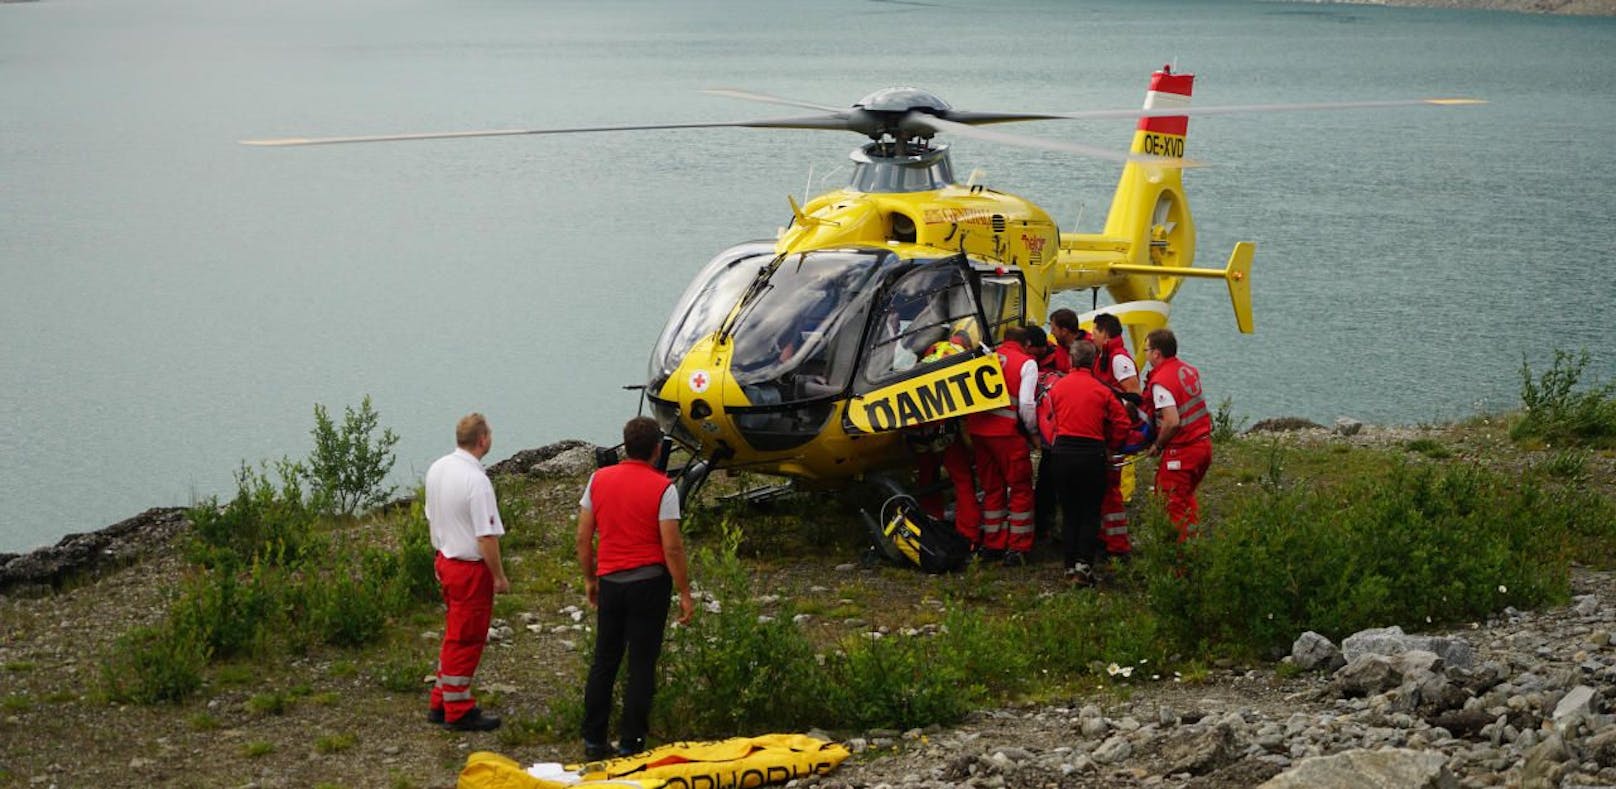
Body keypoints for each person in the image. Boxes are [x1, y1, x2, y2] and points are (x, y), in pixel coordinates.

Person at [577, 417, 696, 761]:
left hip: (611, 581)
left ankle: (594, 739)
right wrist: (685, 592)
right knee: (641, 664)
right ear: (658, 449)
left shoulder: (598, 480)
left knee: (605, 660)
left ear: (625, 445)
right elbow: (671, 546)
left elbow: (584, 537)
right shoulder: (664, 488)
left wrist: (590, 578)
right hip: (649, 583)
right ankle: (631, 741)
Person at [425, 413, 508, 732]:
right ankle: (458, 708)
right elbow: (485, 537)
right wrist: (498, 576)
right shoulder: (477, 481)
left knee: (454, 633)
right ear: (483, 439)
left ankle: (440, 699)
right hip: (469, 568)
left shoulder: (438, 468)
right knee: (467, 637)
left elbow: (432, 515)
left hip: (445, 558)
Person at [1046, 341, 1131, 586]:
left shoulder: (1057, 388)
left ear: (1071, 360)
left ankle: (1068, 566)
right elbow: (1123, 423)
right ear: (1094, 361)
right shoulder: (1102, 390)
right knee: (1090, 512)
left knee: (1069, 511)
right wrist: (1111, 445)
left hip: (1061, 453)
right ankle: (1084, 568)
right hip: (1091, 454)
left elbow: (1047, 418)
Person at [964, 325, 1039, 566]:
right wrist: (1033, 432)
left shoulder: (987, 357)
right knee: (1020, 488)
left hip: (978, 431)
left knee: (991, 487)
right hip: (1007, 435)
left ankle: (993, 543)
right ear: (1026, 344)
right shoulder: (1027, 363)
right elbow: (1027, 405)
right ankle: (1018, 546)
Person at [1142, 329, 1213, 541]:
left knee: (1171, 504)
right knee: (1186, 499)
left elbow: (1172, 421)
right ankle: (1193, 545)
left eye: (1146, 350)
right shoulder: (1187, 370)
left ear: (1156, 353)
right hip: (1203, 446)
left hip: (1183, 451)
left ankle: (1179, 564)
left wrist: (1158, 444)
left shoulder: (1161, 381)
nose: (1144, 354)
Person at [1090, 313, 1142, 559]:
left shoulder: (1119, 360)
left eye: (1095, 332)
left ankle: (1117, 546)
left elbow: (1133, 398)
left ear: (1106, 333)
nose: (1092, 336)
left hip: (1114, 433)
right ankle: (1105, 538)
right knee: (1101, 489)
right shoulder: (1105, 356)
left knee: (1110, 491)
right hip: (1104, 430)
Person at [1047, 308, 1087, 374]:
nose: (1051, 332)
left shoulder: (1090, 349)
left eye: (1054, 329)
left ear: (1064, 331)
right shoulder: (1062, 344)